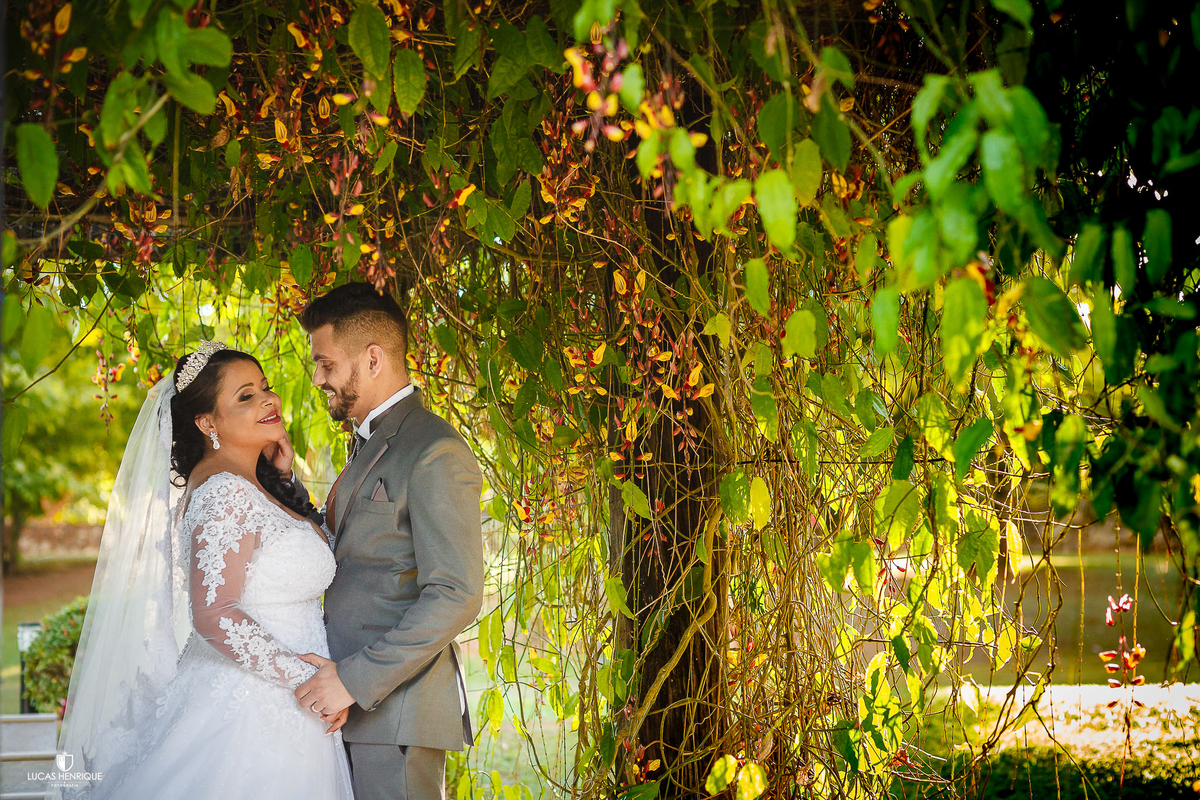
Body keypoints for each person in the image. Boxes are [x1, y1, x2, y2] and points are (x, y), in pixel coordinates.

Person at [47, 342, 354, 800]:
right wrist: (307, 681)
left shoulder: (247, 482)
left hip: (292, 703)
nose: (269, 400)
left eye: (265, 388)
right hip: (253, 707)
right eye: (245, 396)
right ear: (207, 423)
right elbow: (213, 614)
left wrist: (287, 481)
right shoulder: (223, 493)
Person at [281, 282, 485, 800]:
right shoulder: (370, 439)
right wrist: (285, 486)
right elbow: (351, 552)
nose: (317, 378)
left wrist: (353, 680)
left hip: (394, 713)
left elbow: (457, 594)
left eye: (326, 363)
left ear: (372, 359)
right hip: (352, 708)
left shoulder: (434, 450)